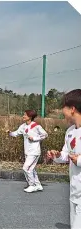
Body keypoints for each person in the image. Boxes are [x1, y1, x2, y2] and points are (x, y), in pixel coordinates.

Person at [47, 89, 81, 229]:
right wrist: (58, 156)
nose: (63, 113)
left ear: (72, 109)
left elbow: (76, 159)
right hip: (75, 189)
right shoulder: (70, 132)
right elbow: (67, 154)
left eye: (64, 108)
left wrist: (79, 160)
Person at [6, 110, 48, 193]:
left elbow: (45, 135)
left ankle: (32, 185)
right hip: (27, 151)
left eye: (25, 115)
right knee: (32, 168)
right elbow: (16, 133)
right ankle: (38, 185)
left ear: (30, 117)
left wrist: (34, 138)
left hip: (34, 151)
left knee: (26, 167)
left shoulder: (36, 126)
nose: (23, 116)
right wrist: (9, 133)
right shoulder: (23, 126)